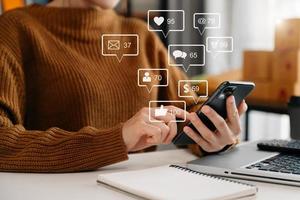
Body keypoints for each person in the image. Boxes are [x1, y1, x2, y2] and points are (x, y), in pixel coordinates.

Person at [0, 0, 247, 172]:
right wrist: (116, 139)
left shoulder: (140, 35)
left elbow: (190, 109)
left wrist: (214, 136)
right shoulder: (15, 29)